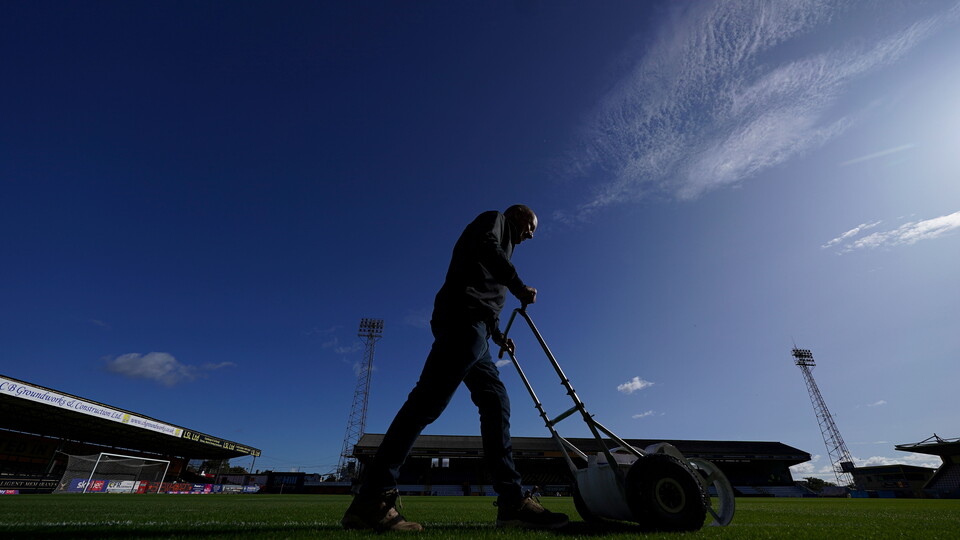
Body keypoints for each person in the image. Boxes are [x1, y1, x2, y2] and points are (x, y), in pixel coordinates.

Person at [341, 205, 569, 532]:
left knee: (495, 401)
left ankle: (511, 503)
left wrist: (499, 335)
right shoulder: (496, 221)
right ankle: (372, 498)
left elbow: (485, 291)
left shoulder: (503, 249)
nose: (531, 234)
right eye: (531, 225)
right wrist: (519, 286)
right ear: (517, 215)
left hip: (478, 330)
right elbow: (485, 251)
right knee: (428, 401)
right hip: (464, 320)